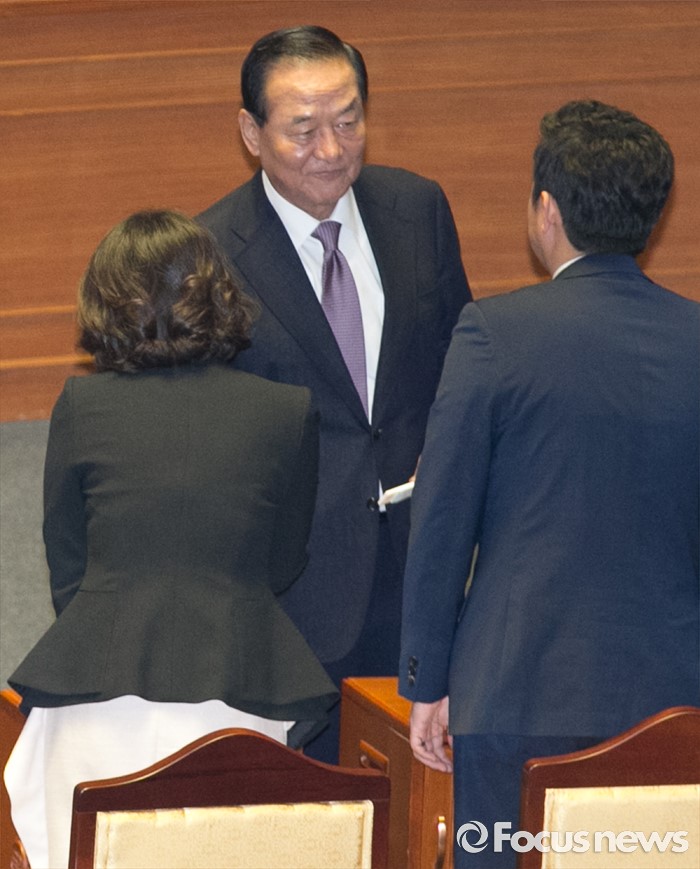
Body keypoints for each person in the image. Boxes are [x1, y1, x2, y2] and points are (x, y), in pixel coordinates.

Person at [399, 99, 699, 868]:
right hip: (677, 701)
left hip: (516, 692)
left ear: (547, 209)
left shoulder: (493, 333)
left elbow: (443, 515)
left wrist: (426, 680)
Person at [3, 209, 337, 869]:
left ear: (104, 301)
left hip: (97, 692)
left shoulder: (81, 406)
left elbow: (68, 567)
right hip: (242, 689)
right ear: (218, 294)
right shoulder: (285, 410)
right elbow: (282, 562)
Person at [198, 25, 472, 763]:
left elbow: (460, 372)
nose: (331, 149)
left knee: (424, 796)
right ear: (251, 133)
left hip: (419, 573)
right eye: (303, 129)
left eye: (348, 122)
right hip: (295, 595)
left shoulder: (418, 208)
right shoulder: (210, 253)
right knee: (311, 799)